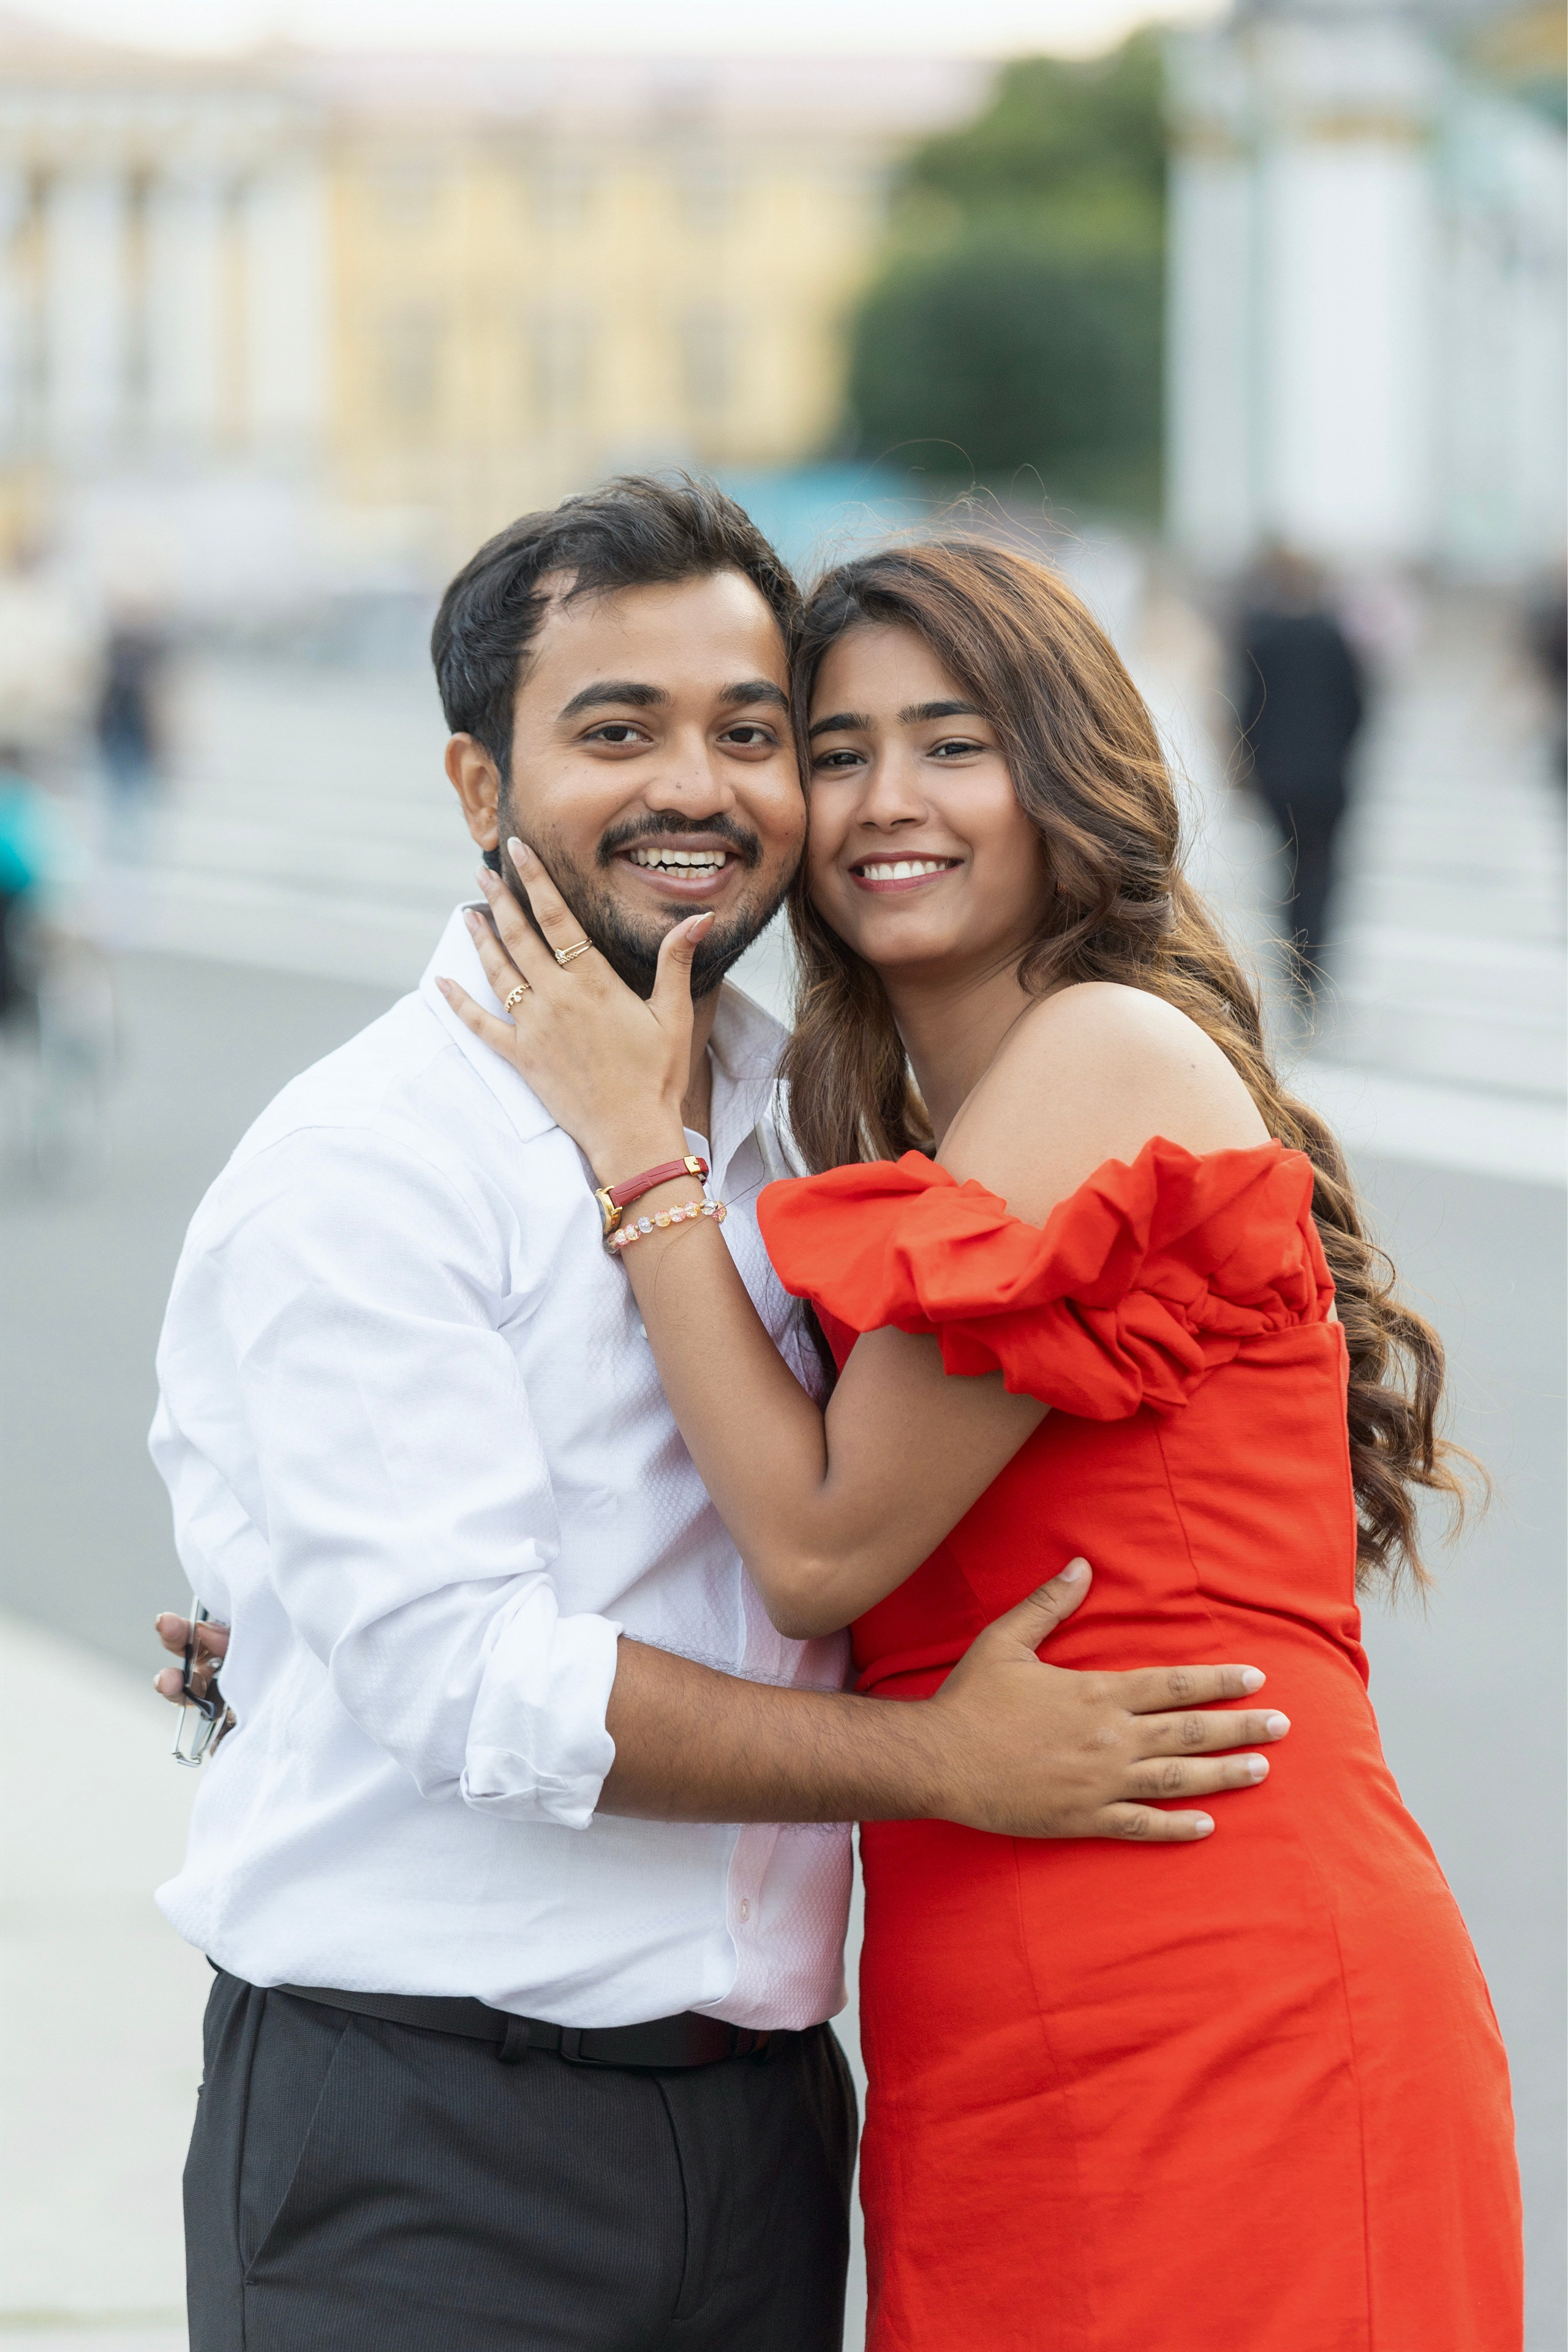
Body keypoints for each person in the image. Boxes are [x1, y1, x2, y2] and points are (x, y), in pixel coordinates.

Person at [149, 479, 1290, 2352]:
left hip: (768, 2129)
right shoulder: (362, 1162)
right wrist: (938, 1760)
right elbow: (469, 1676)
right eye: (617, 730)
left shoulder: (822, 1117)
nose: (703, 784)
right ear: (473, 785)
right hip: (431, 2129)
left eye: (752, 732)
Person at [442, 535, 1523, 2351]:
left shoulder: (1101, 1051)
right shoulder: (910, 1118)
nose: (882, 803)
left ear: (1066, 770)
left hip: (1219, 1973)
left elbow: (812, 1541)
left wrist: (638, 1150)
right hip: (995, 2000)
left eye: (950, 743)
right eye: (837, 746)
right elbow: (713, 1510)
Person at [1235, 546, 1365, 982]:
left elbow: (1246, 710)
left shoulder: (1261, 636)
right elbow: (1358, 707)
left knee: (1288, 866)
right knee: (1320, 868)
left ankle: (1295, 954)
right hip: (1326, 776)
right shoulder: (1333, 636)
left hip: (1277, 777)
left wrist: (1250, 763)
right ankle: (1313, 958)